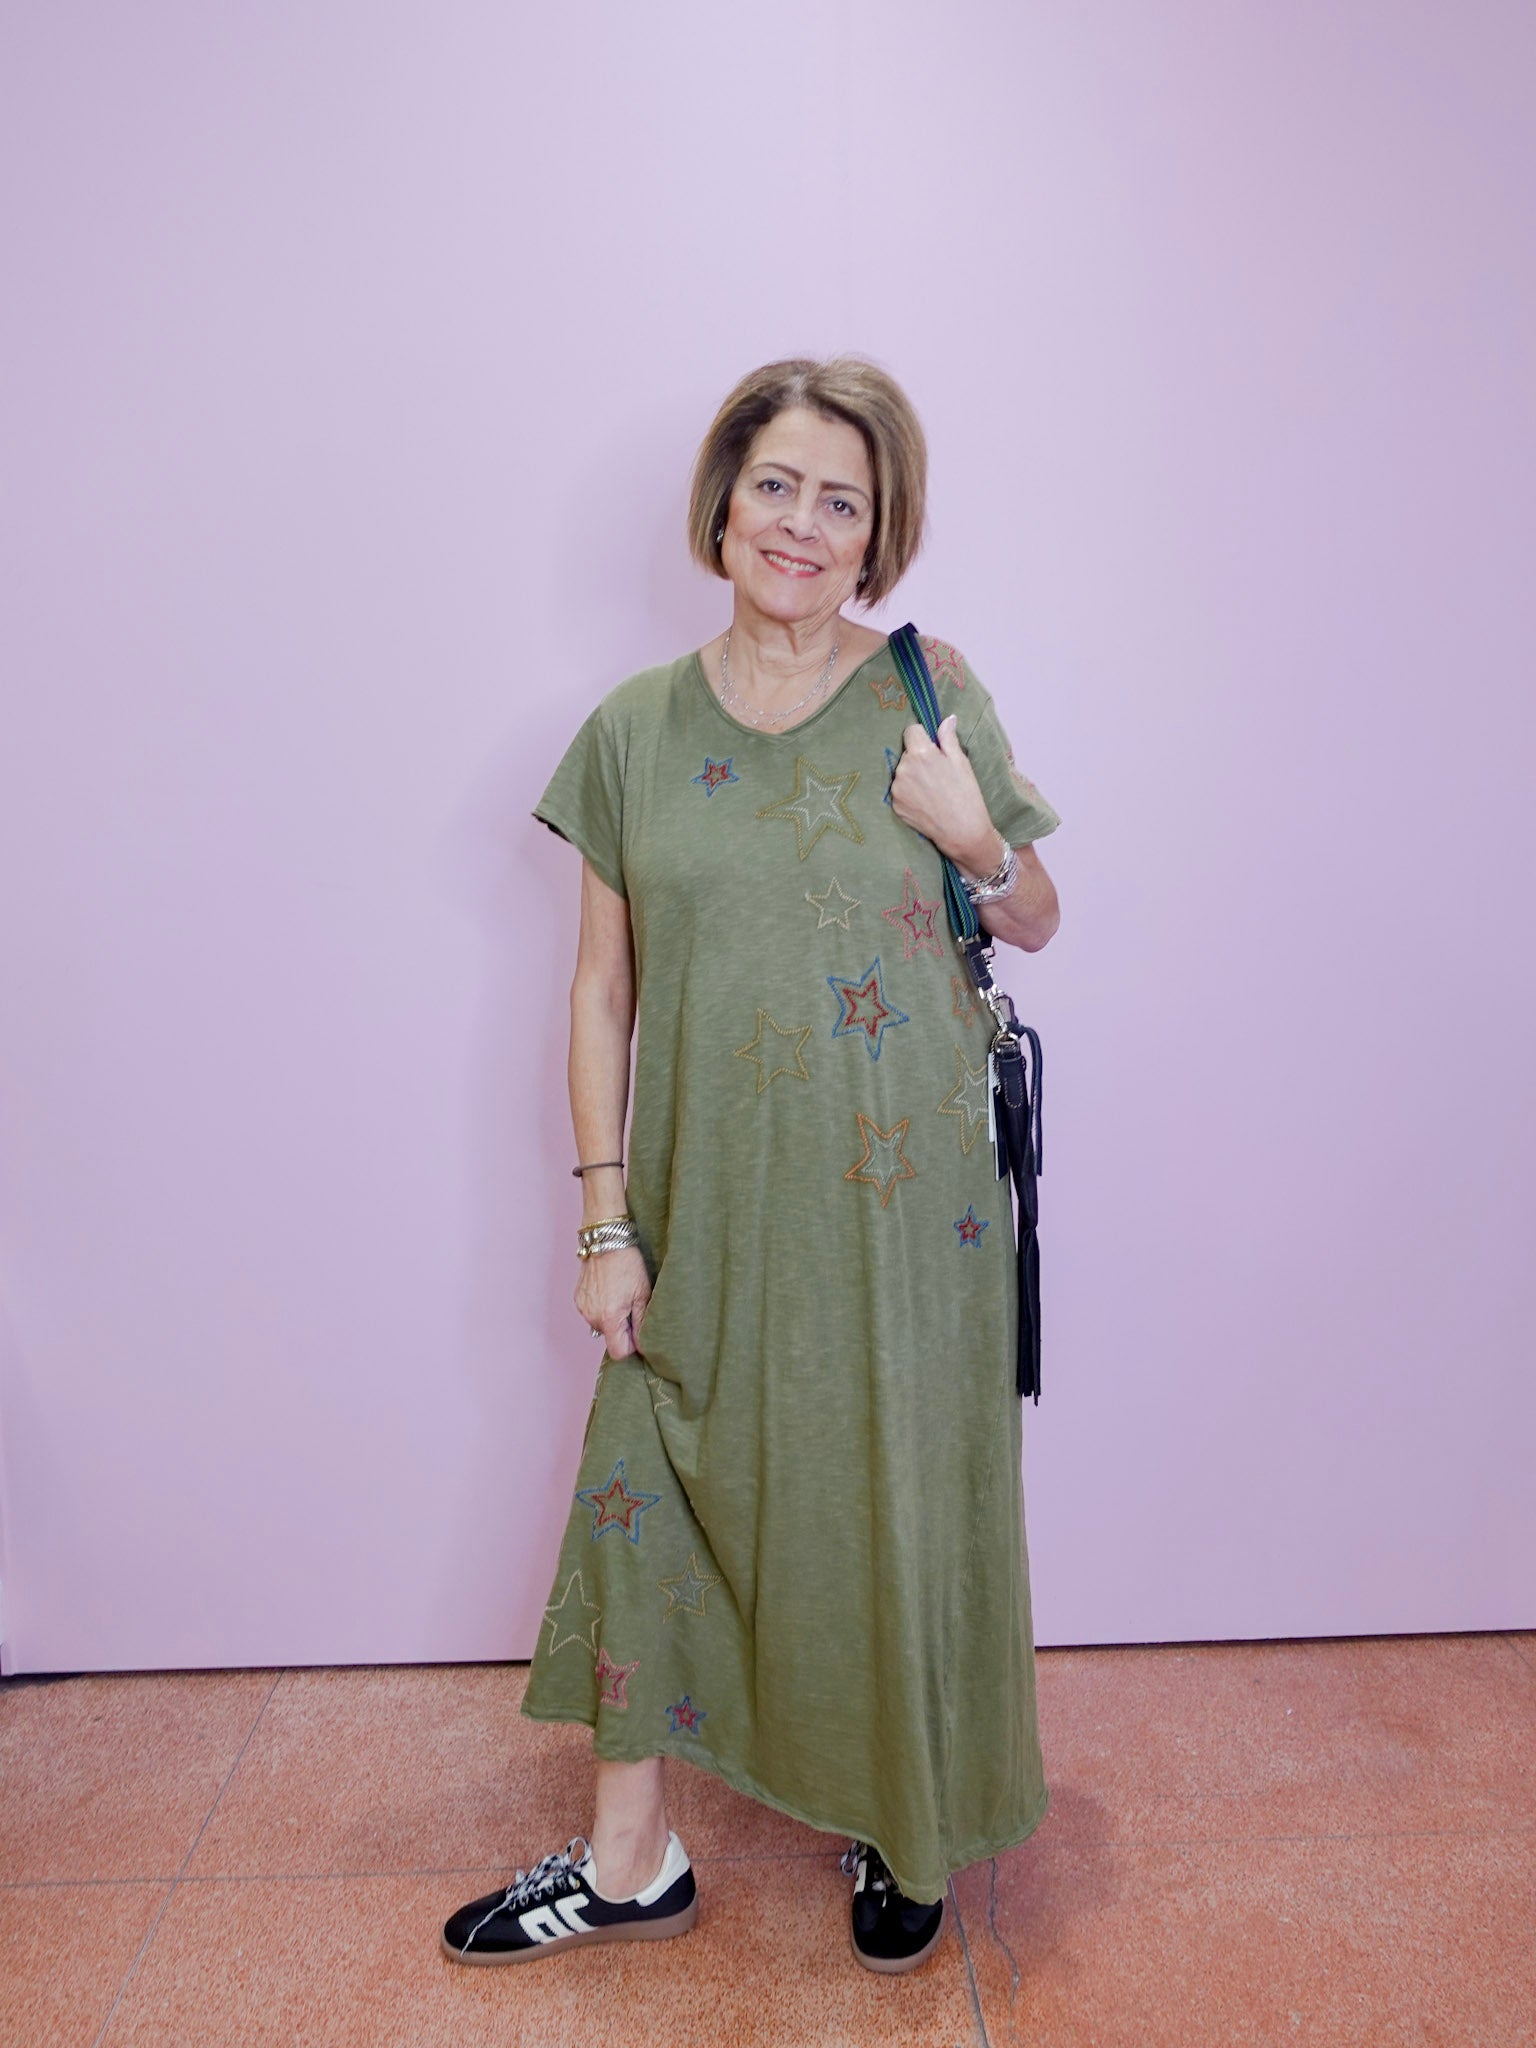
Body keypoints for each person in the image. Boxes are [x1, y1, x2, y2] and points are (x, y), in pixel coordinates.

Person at [442, 356, 1062, 1975]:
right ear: (723, 498)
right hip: (703, 1205)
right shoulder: (633, 731)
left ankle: (896, 1810)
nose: (801, 523)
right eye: (777, 484)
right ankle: (630, 1861)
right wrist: (603, 1221)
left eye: (842, 502)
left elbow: (1043, 916)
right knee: (644, 1486)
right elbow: (598, 989)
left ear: (879, 539)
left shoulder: (931, 695)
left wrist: (977, 840)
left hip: (905, 1211)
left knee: (889, 1499)